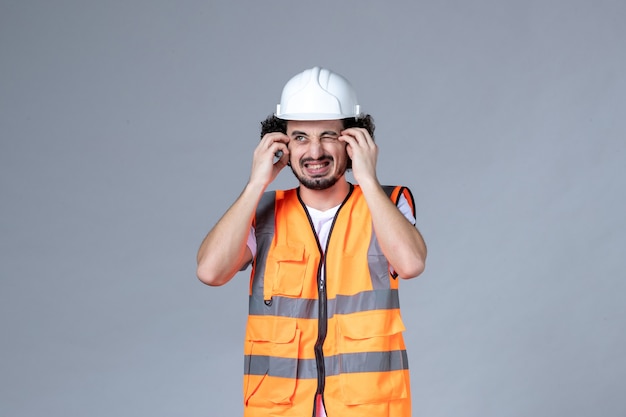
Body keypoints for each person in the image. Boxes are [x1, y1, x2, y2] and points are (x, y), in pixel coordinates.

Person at [197, 66, 427, 417]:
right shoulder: (262, 212)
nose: (315, 151)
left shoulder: (387, 203)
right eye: (300, 137)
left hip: (368, 408)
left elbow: (411, 264)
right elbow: (210, 271)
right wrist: (254, 185)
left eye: (329, 136)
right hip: (280, 409)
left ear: (353, 139)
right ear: (281, 143)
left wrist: (366, 177)